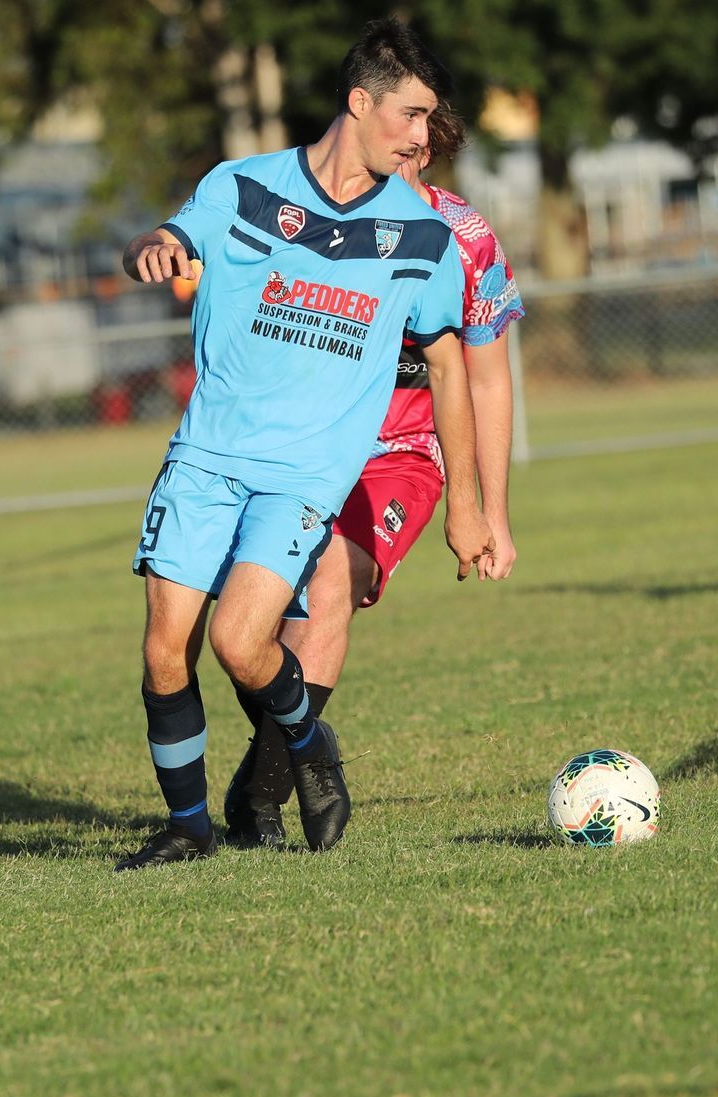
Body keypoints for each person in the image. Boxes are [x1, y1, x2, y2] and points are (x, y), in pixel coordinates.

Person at [115, 19, 494, 871]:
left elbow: (450, 367)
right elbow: (172, 239)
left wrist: (465, 503)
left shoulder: (424, 237)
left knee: (241, 643)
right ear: (359, 103)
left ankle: (312, 750)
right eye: (410, 115)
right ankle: (188, 827)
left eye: (430, 119)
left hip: (301, 476)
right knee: (160, 649)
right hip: (207, 454)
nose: (422, 136)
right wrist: (157, 246)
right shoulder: (243, 187)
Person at [220, 107, 526, 844]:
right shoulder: (313, 220)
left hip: (402, 457)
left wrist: (487, 509)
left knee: (332, 586)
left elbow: (484, 380)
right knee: (246, 627)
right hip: (301, 442)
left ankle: (260, 798)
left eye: (420, 130)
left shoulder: (466, 237)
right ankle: (282, 766)